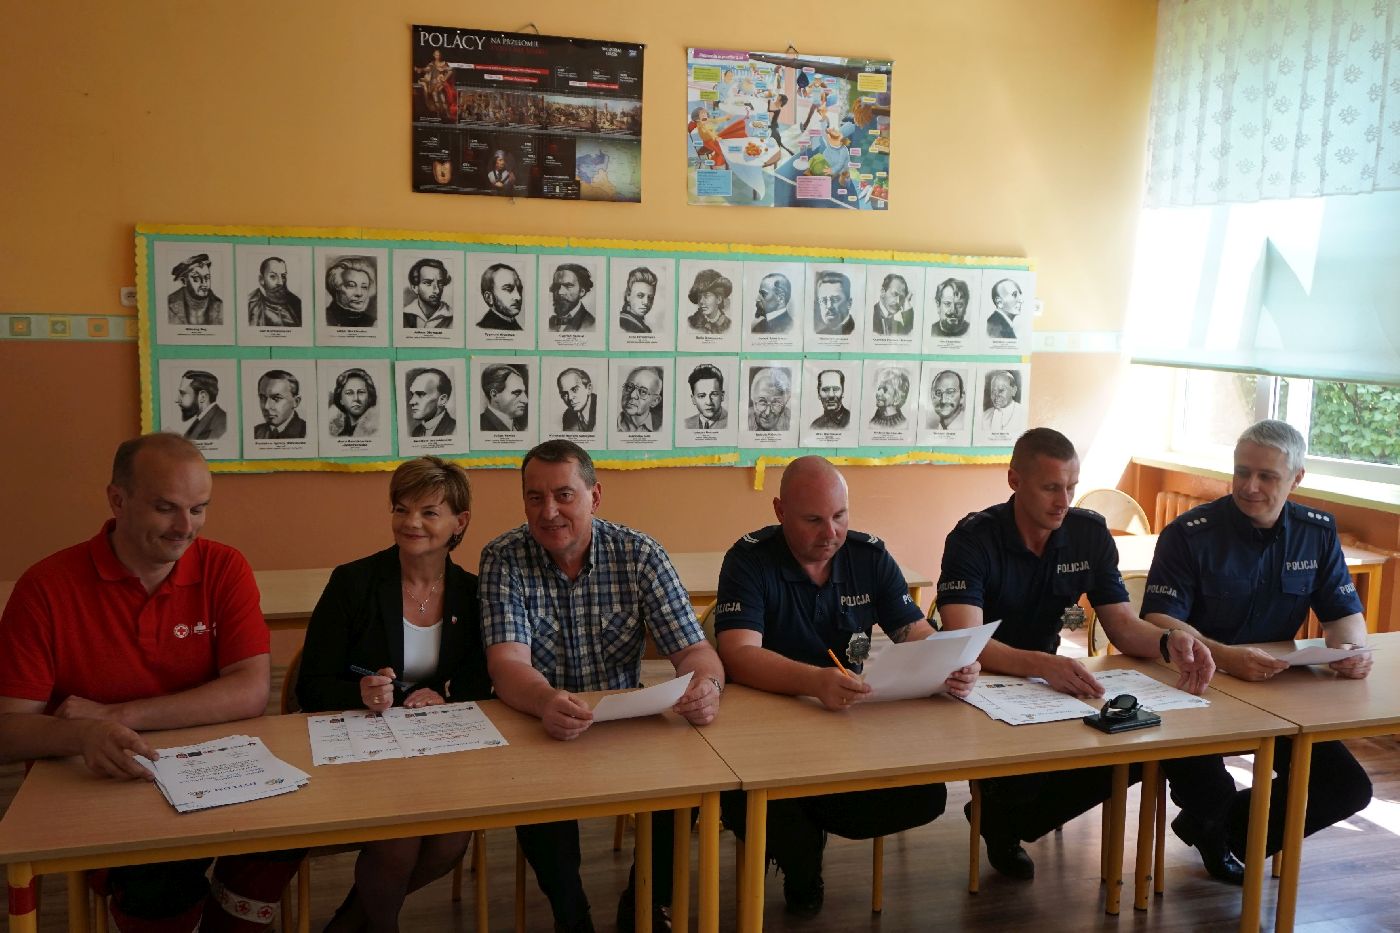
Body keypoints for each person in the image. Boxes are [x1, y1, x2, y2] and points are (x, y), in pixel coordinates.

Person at [0, 434, 299, 932]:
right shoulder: (45, 587)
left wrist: (115, 715)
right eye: (166, 508)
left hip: (212, 770)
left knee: (282, 837)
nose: (185, 528)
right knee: (160, 876)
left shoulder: (224, 567)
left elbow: (250, 691)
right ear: (117, 500)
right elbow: (8, 730)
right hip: (106, 787)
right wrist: (83, 735)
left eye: (199, 509)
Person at [937, 428, 1215, 881]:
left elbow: (1122, 626)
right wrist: (1044, 665)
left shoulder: (1088, 532)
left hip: (1047, 681)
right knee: (1020, 783)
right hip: (979, 680)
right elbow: (964, 641)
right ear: (1014, 480)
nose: (1063, 501)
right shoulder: (974, 538)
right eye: (1051, 487)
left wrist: (1169, 642)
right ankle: (1002, 815)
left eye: (1071, 487)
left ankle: (1003, 821)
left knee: (1132, 746)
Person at [715, 456, 979, 914]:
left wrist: (949, 659)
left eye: (840, 516)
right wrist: (813, 680)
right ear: (780, 511)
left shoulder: (867, 556)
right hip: (767, 725)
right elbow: (738, 654)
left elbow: (912, 629)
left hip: (846, 721)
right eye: (813, 520)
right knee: (757, 802)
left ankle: (807, 823)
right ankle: (802, 863)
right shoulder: (749, 559)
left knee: (925, 794)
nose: (831, 533)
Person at [479, 441, 725, 933]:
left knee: (683, 789)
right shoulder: (503, 558)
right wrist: (545, 700)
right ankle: (571, 916)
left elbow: (696, 652)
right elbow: (506, 664)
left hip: (623, 723)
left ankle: (644, 906)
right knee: (537, 802)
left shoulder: (639, 554)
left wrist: (707, 686)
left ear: (595, 496)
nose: (548, 512)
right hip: (539, 722)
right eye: (534, 498)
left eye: (564, 495)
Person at [1142, 419, 1373, 877]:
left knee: (1346, 787)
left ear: (1296, 478)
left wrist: (1350, 649)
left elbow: (1344, 613)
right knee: (1212, 789)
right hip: (1191, 688)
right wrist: (1225, 657)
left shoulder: (1316, 531)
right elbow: (1157, 619)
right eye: (1242, 472)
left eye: (1267, 476)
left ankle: (1223, 831)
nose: (1250, 487)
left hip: (1275, 690)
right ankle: (1214, 820)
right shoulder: (1190, 533)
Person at [297, 457, 492, 933]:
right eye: (401, 509)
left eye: (429, 512)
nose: (411, 522)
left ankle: (348, 924)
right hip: (363, 747)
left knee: (449, 843)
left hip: (437, 749)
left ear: (459, 522)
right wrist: (359, 693)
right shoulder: (353, 582)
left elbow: (480, 677)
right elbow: (310, 685)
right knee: (398, 844)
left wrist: (445, 696)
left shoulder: (472, 592)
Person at [167, 253, 223, 325]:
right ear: (184, 281)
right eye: (196, 278)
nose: (204, 284)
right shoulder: (169, 304)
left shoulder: (220, 305)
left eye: (207, 278)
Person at [246, 256, 302, 328]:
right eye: (273, 276)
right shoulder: (250, 305)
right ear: (261, 279)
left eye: (283, 276)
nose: (281, 282)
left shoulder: (296, 302)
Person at [325, 256, 378, 328]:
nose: (359, 294)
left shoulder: (373, 323)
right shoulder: (325, 318)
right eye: (351, 286)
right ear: (336, 286)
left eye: (364, 287)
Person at [253, 369, 306, 439]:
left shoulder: (306, 432)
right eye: (262, 398)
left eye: (276, 398)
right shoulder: (256, 432)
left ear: (296, 402)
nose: (266, 406)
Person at [326, 367, 379, 437]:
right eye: (349, 393)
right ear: (341, 399)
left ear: (369, 397)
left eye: (361, 392)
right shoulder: (338, 434)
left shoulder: (376, 431)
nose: (356, 398)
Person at [177, 369, 227, 440]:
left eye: (183, 393)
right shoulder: (201, 418)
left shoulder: (221, 424)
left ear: (202, 397)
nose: (177, 400)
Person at [403, 258, 453, 329]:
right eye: (428, 283)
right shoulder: (404, 315)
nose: (437, 291)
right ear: (415, 287)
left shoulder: (452, 316)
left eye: (440, 283)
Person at [406, 368, 456, 437]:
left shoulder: (454, 430)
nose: (411, 402)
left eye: (421, 395)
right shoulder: (416, 431)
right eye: (412, 394)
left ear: (442, 400)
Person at [480, 363, 528, 432]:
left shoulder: (517, 427)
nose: (525, 400)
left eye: (524, 392)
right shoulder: (481, 426)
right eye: (517, 393)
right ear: (494, 395)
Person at [476, 263, 524, 331]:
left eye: (519, 289)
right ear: (489, 298)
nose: (518, 297)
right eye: (508, 289)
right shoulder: (484, 327)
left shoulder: (516, 327)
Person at [548, 263, 596, 331]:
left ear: (581, 291)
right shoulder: (550, 322)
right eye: (556, 286)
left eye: (568, 286)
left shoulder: (591, 324)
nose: (560, 292)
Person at [617, 365, 663, 432]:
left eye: (643, 392)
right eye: (629, 387)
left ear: (655, 401)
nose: (632, 395)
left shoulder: (661, 428)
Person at [685, 269, 732, 334]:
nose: (701, 301)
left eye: (706, 296)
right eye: (699, 296)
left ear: (718, 299)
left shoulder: (728, 325)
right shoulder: (691, 323)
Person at [683, 363, 727, 429]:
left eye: (714, 394)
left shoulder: (731, 423)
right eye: (702, 396)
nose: (709, 402)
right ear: (693, 399)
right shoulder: (686, 424)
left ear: (722, 396)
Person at [747, 367, 791, 431]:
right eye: (762, 402)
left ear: (785, 402)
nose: (767, 413)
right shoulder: (745, 418)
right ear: (753, 399)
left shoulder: (791, 421)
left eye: (775, 403)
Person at [812, 270, 855, 335]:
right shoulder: (819, 333)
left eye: (835, 299)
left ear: (849, 303)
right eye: (824, 300)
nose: (829, 306)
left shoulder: (854, 332)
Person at [617, 267, 658, 334]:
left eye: (650, 297)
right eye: (640, 296)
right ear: (628, 296)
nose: (646, 302)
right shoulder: (623, 324)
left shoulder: (643, 326)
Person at [557, 368, 597, 432]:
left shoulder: (600, 408)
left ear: (589, 389)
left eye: (575, 390)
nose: (570, 397)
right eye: (565, 394)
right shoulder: (568, 415)